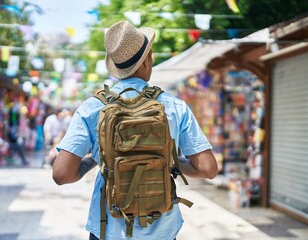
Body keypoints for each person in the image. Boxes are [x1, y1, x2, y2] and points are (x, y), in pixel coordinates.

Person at [52, 21, 218, 240]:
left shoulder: (92, 108)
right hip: (162, 232)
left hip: (109, 231)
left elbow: (61, 174)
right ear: (147, 60)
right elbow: (208, 169)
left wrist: (98, 157)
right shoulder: (174, 106)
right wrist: (171, 161)